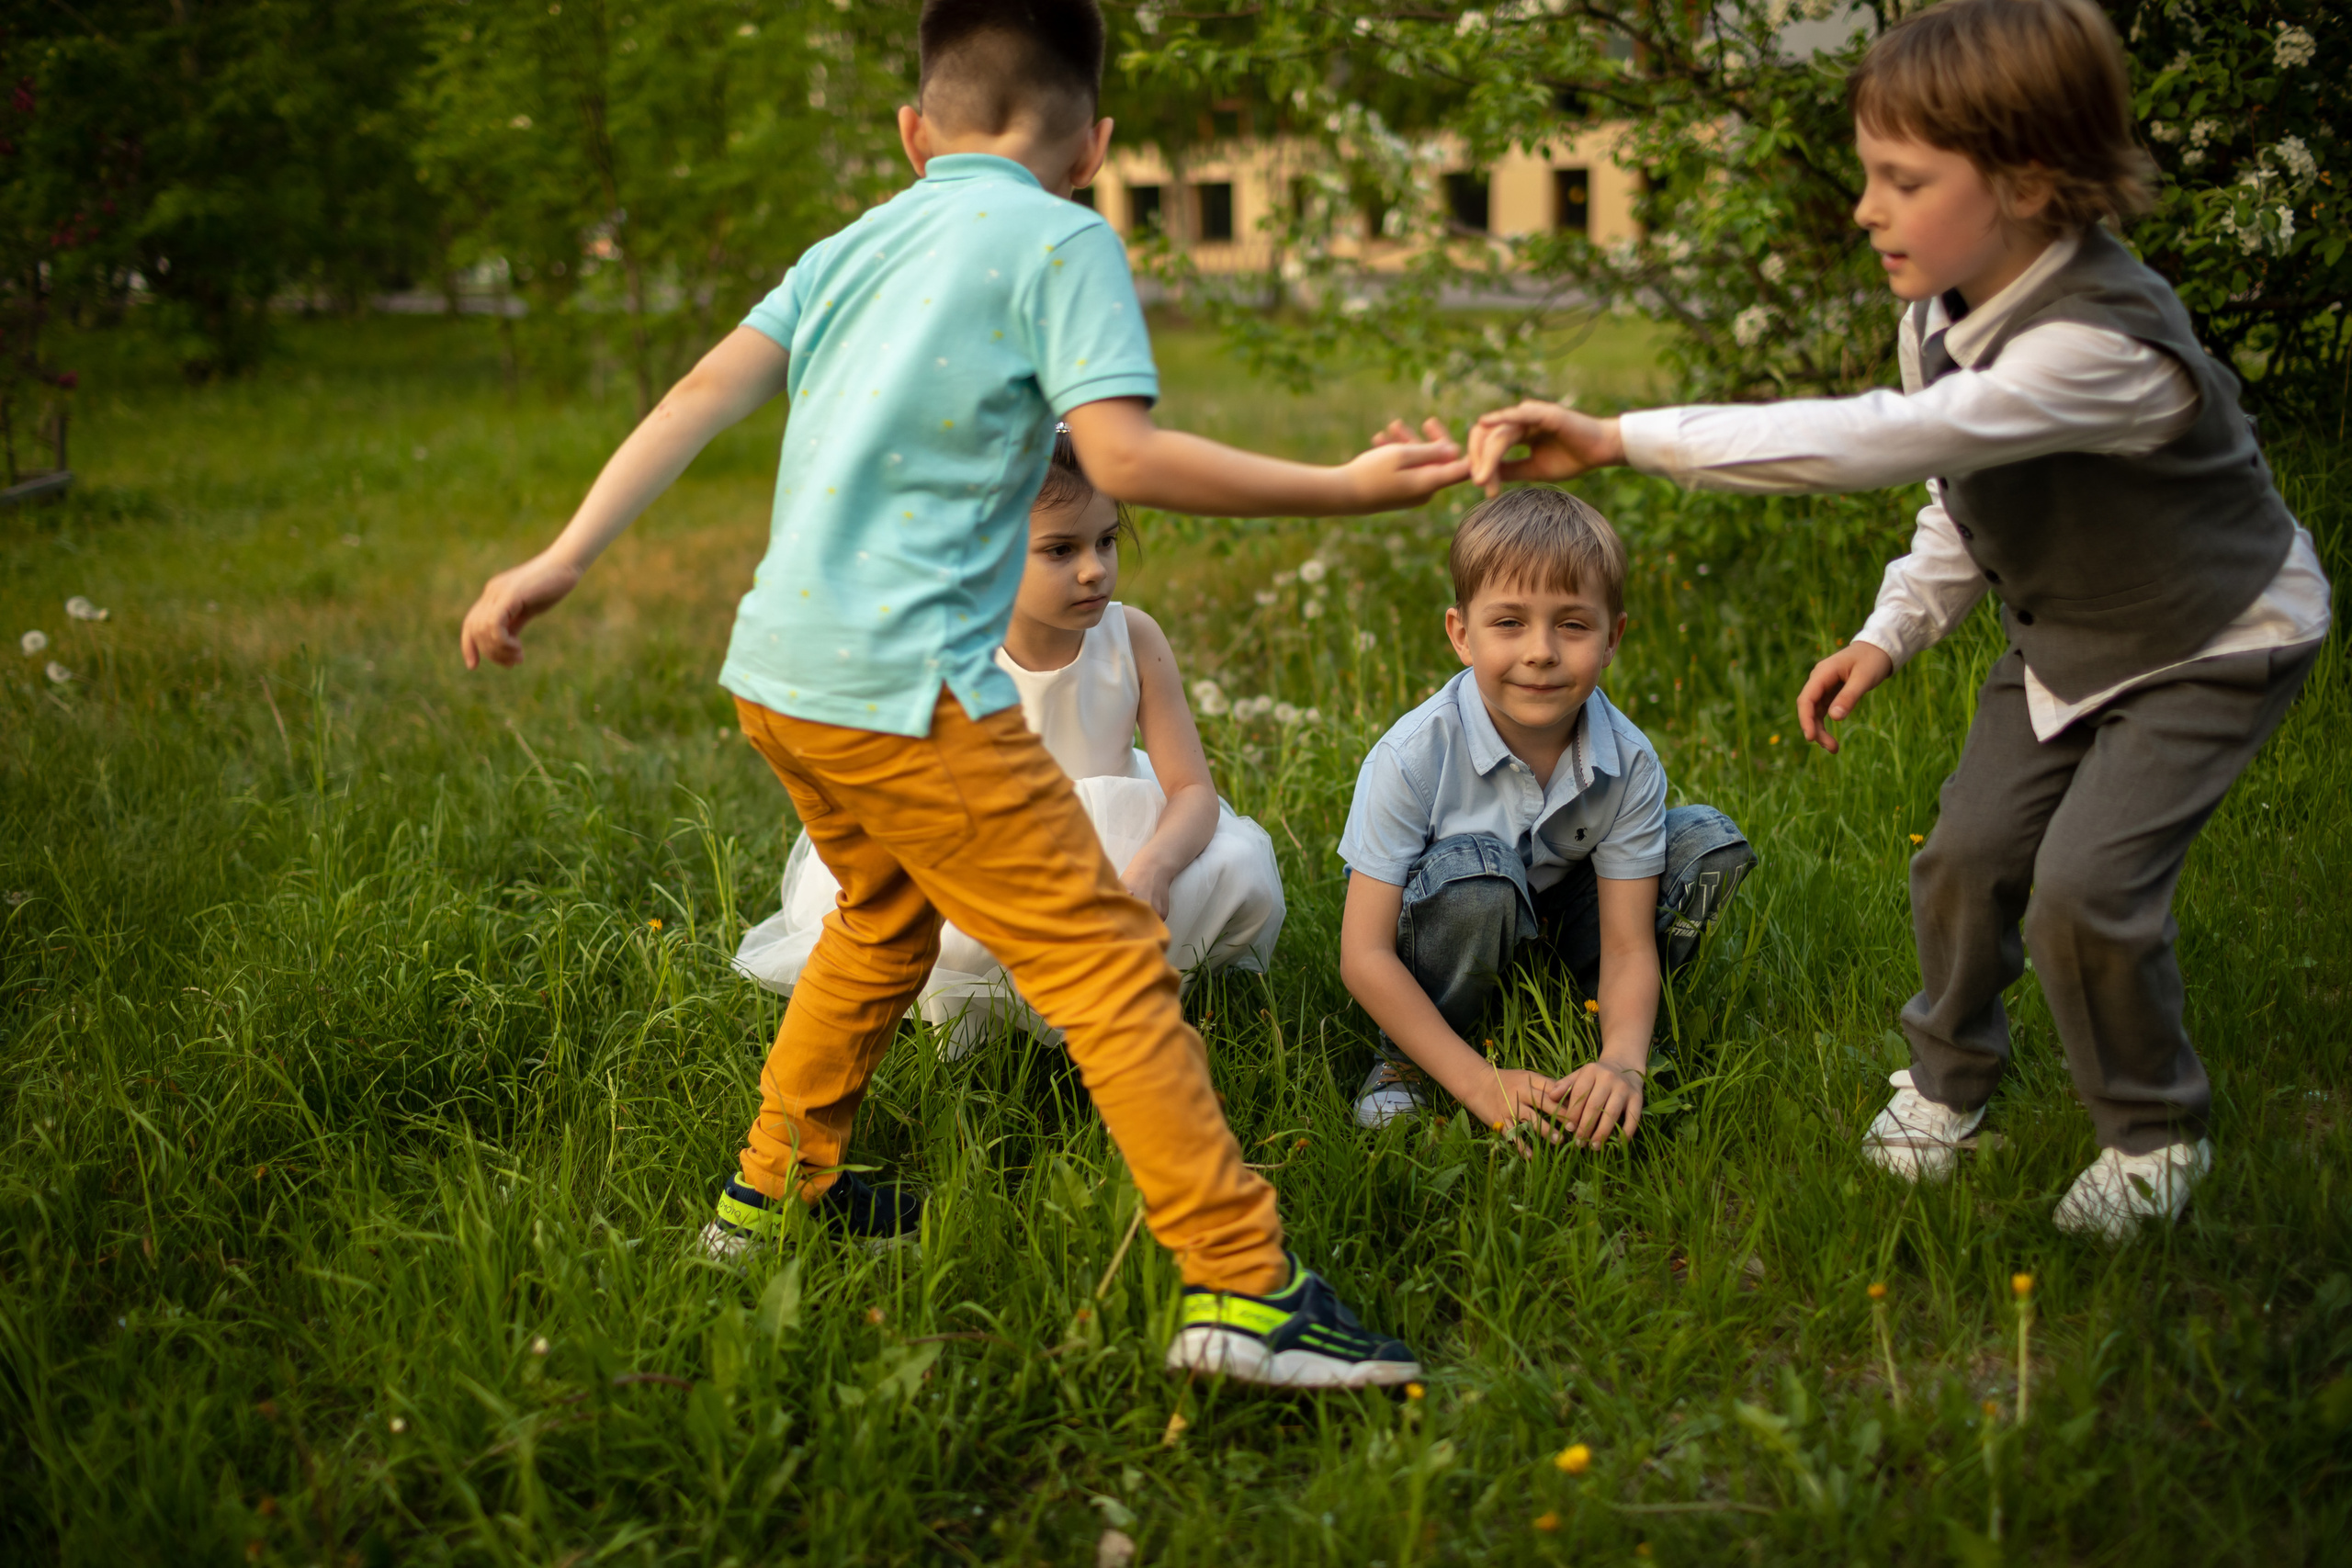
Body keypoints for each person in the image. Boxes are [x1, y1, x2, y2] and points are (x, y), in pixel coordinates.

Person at [459, 0, 1466, 1387]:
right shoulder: (1064, 238)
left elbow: (703, 387)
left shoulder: (849, 243)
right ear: (1093, 146)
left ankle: (772, 1198)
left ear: (914, 132)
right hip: (914, 693)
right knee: (1110, 964)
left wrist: (562, 554)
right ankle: (1244, 1288)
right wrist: (1341, 489)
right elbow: (1129, 453)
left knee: (879, 923)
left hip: (778, 677)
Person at [1462, 0, 2328, 1238]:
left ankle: (2151, 1132)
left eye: (1902, 179)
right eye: (1869, 173)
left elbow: (1888, 438)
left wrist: (1620, 437)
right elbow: (1958, 491)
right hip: (2065, 635)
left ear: (2029, 181)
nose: (1867, 208)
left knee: (2087, 888)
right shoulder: (1940, 312)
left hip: (2214, 635)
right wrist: (1891, 631)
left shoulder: (2100, 347)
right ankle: (1952, 1077)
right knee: (1966, 859)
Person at [734, 426, 1286, 1057]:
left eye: (1106, 540)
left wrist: (1154, 868)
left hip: (1122, 845)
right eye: (1059, 550)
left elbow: (1190, 788)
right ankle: (990, 1022)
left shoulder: (1132, 638)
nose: (1093, 568)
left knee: (1239, 874)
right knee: (948, 927)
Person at [1336, 487, 1755, 1144]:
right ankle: (1407, 1061)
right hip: (1450, 925)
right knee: (1481, 876)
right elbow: (1362, 954)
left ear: (1612, 637)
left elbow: (1625, 941)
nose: (1540, 651)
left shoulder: (1630, 761)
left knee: (1704, 842)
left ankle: (1605, 1024)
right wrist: (1478, 1082)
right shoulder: (1414, 756)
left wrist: (1625, 1063)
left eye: (1573, 624)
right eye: (1509, 623)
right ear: (1461, 634)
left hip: (1565, 919)